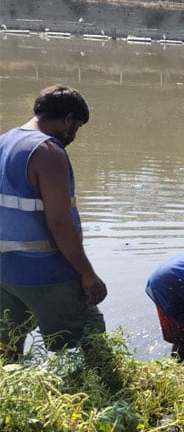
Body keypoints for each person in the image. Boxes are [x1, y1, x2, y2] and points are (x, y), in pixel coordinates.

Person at [0, 85, 107, 362]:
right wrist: (87, 274)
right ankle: (107, 398)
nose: (73, 136)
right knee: (90, 333)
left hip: (5, 271)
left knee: (9, 343)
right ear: (68, 119)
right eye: (77, 127)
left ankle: (13, 397)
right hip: (45, 271)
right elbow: (59, 222)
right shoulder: (48, 151)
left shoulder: (5, 141)